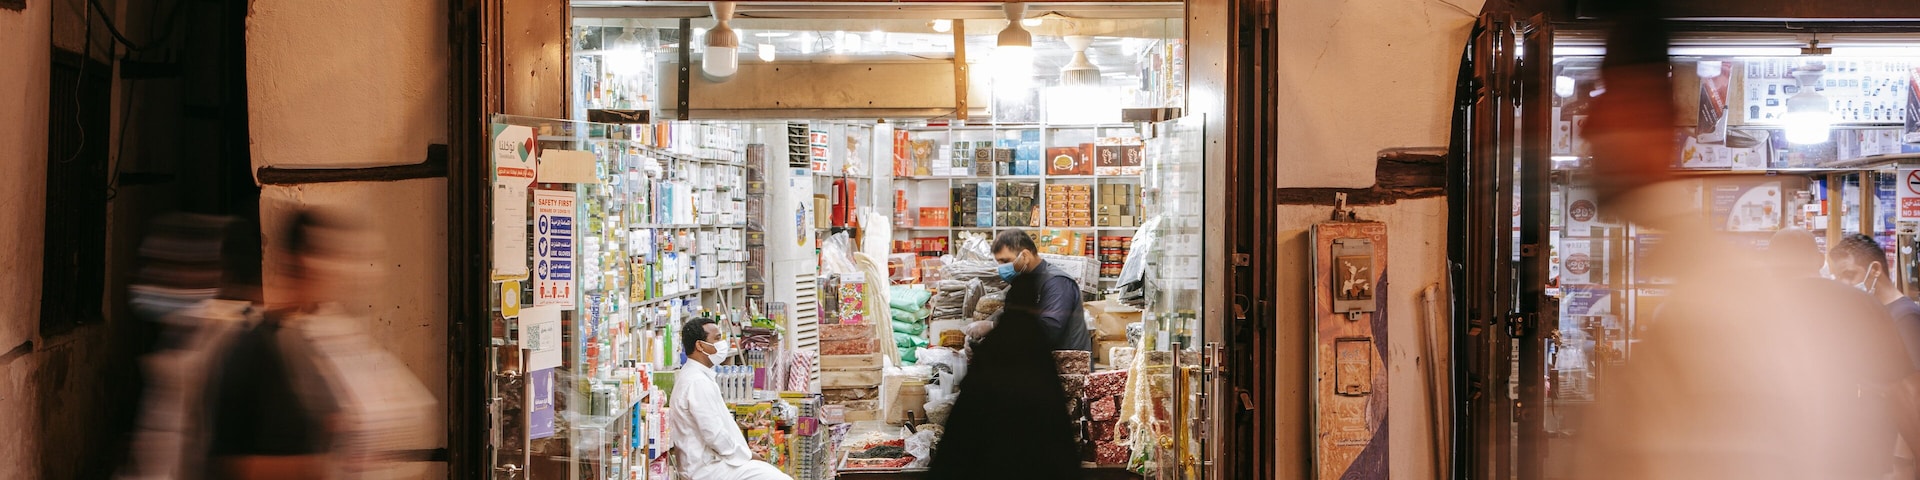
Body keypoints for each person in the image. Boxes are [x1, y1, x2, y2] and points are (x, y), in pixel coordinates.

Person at [203, 208, 437, 480]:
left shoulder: (324, 339)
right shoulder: (256, 346)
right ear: (298, 262)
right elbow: (229, 464)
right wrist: (325, 465)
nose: (343, 273)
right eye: (330, 257)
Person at [927, 272, 1083, 480]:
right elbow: (1055, 426)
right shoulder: (1036, 345)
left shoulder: (996, 343)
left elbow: (963, 425)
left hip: (988, 463)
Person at [668, 317, 792, 480]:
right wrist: (745, 456)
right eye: (717, 339)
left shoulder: (697, 376)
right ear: (700, 345)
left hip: (715, 463)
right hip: (707, 469)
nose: (722, 344)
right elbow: (714, 433)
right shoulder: (696, 382)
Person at [991, 230, 1090, 352]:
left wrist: (994, 327)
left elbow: (1049, 330)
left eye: (1005, 261)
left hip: (1068, 366)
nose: (1001, 268)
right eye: (998, 262)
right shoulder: (1023, 282)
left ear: (1025, 256)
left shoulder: (1057, 282)